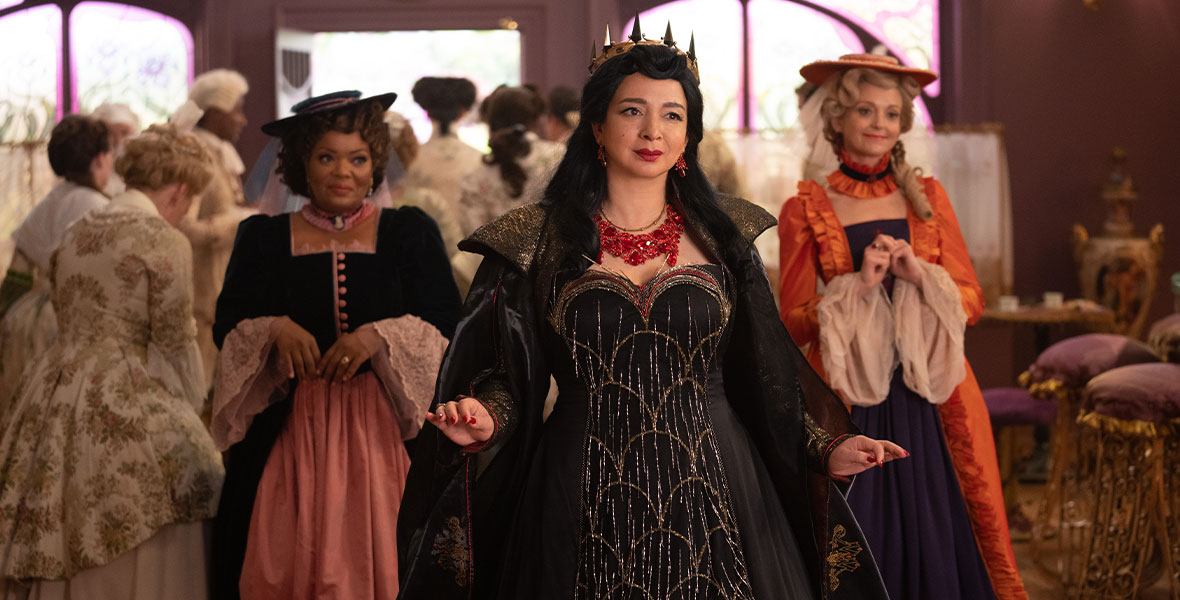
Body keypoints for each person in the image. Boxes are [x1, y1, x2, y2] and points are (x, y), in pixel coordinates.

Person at [398, 23, 903, 600]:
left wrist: (826, 444)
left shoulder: (725, 236)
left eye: (672, 115)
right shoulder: (534, 242)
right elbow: (503, 371)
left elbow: (769, 372)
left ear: (689, 133)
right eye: (632, 110)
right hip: (579, 485)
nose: (652, 131)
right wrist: (487, 415)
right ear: (596, 125)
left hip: (716, 483)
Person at [778, 53, 1027, 600]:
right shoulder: (806, 206)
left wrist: (921, 277)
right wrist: (856, 287)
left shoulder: (930, 196)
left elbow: (972, 300)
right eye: (865, 110)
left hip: (931, 396)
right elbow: (791, 321)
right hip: (850, 395)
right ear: (837, 117)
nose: (878, 124)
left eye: (891, 114)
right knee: (861, 535)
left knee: (943, 529)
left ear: (902, 124)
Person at [209, 90, 462, 600]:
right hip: (290, 433)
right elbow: (228, 324)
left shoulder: (406, 233)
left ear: (375, 165)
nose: (342, 171)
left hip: (383, 434)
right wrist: (274, 328)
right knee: (285, 561)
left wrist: (378, 336)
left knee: (387, 564)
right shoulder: (264, 238)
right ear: (302, 164)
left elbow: (447, 321)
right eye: (326, 157)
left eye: (357, 158)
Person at [0, 125, 224, 599]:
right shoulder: (163, 239)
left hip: (55, 386)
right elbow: (174, 343)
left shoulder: (77, 230)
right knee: (189, 476)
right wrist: (191, 416)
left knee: (58, 507)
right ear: (180, 191)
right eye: (188, 203)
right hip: (126, 383)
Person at [0, 115, 112, 414]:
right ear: (100, 159)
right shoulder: (98, 207)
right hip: (71, 323)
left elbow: (17, 272)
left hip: (26, 321)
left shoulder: (50, 201)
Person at [171, 68, 253, 390]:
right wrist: (241, 220)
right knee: (200, 387)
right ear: (216, 112)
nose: (242, 119)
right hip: (200, 296)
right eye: (237, 109)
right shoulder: (194, 154)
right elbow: (182, 226)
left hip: (223, 288)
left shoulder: (219, 153)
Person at [456, 85, 565, 235]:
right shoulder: (559, 156)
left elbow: (473, 234)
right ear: (535, 120)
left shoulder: (474, 175)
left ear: (491, 122)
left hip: (490, 257)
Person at [90, 102, 142, 195]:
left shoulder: (142, 171)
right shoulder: (91, 176)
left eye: (124, 133)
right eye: (111, 134)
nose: (118, 141)